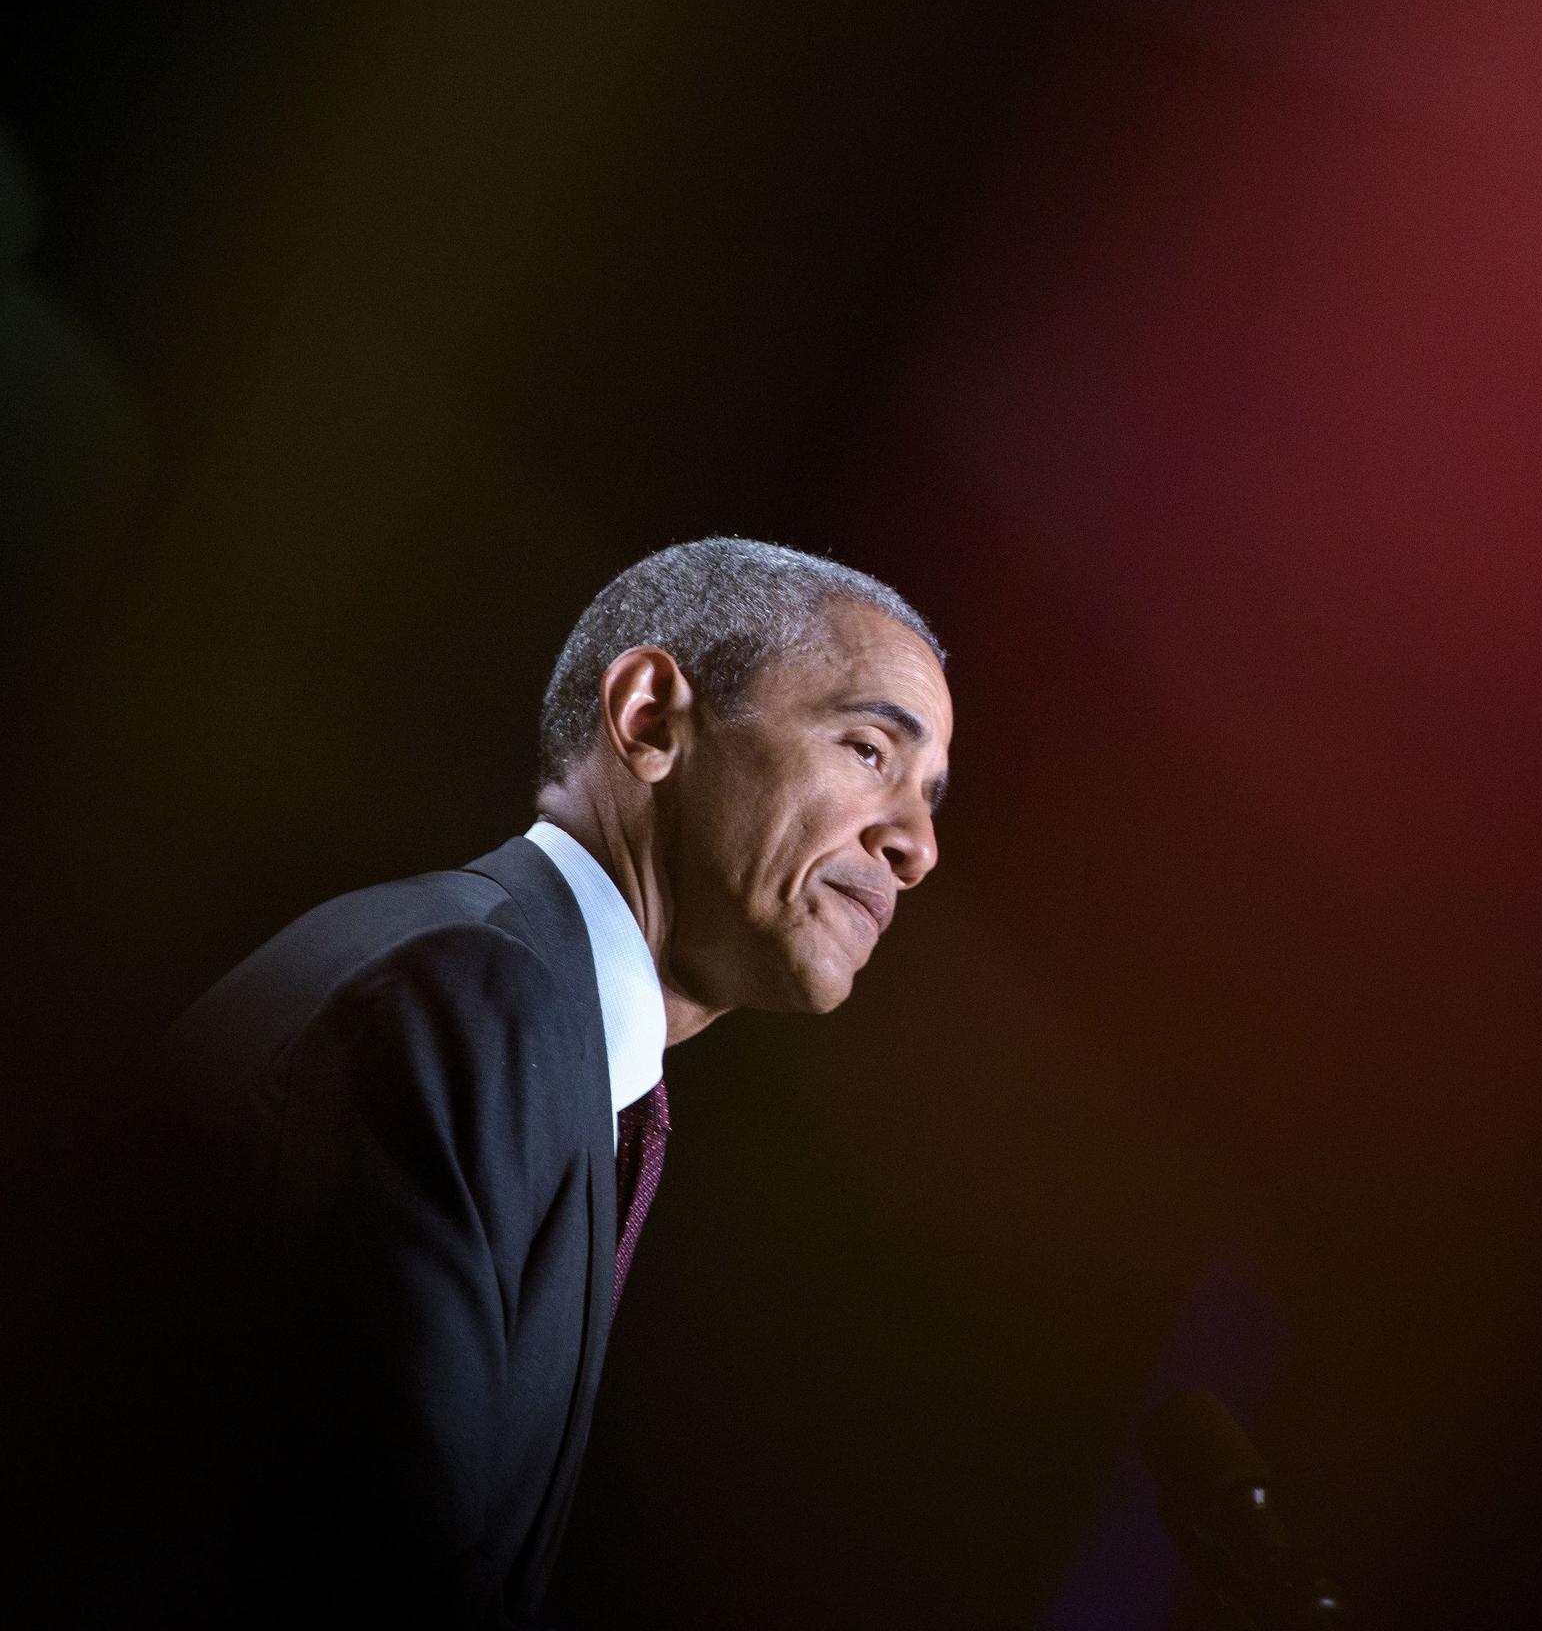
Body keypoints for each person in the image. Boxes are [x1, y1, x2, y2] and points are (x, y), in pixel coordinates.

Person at [159, 537, 952, 1626]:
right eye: (869, 751)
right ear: (651, 719)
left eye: (930, 798)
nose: (915, 845)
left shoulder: (547, 1041)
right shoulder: (471, 993)